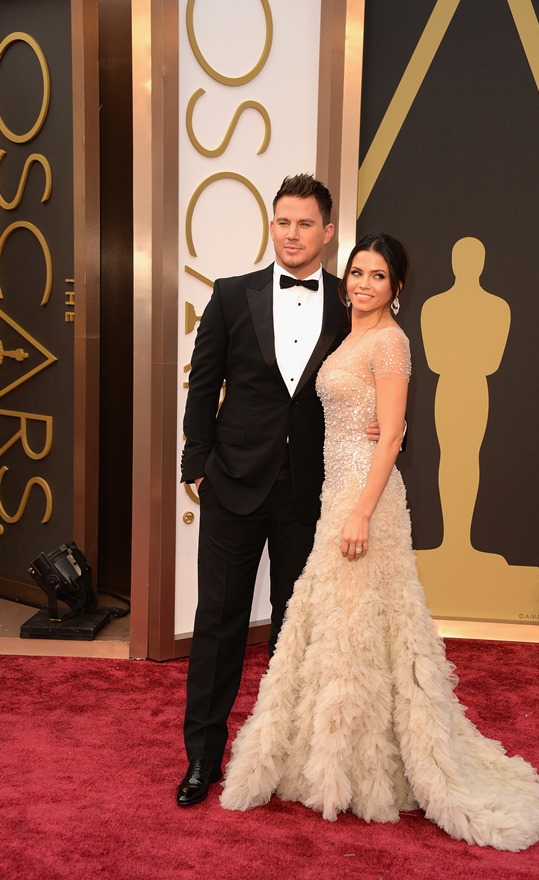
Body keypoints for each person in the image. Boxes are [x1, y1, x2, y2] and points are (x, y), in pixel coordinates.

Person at [220, 233, 539, 852]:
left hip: (365, 504)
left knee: (362, 627)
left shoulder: (391, 341)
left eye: (378, 276)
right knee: (341, 625)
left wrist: (361, 512)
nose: (363, 284)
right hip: (336, 496)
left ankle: (364, 763)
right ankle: (330, 754)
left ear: (397, 287)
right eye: (357, 272)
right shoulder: (347, 336)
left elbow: (393, 433)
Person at [177, 174, 377, 808]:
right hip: (233, 484)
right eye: (283, 222)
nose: (292, 234)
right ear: (273, 227)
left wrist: (378, 429)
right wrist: (196, 466)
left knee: (298, 630)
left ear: (327, 232)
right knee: (219, 623)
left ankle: (283, 756)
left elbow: (372, 382)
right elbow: (203, 383)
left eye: (305, 224)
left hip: (309, 496)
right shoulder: (231, 295)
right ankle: (203, 757)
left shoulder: (349, 308)